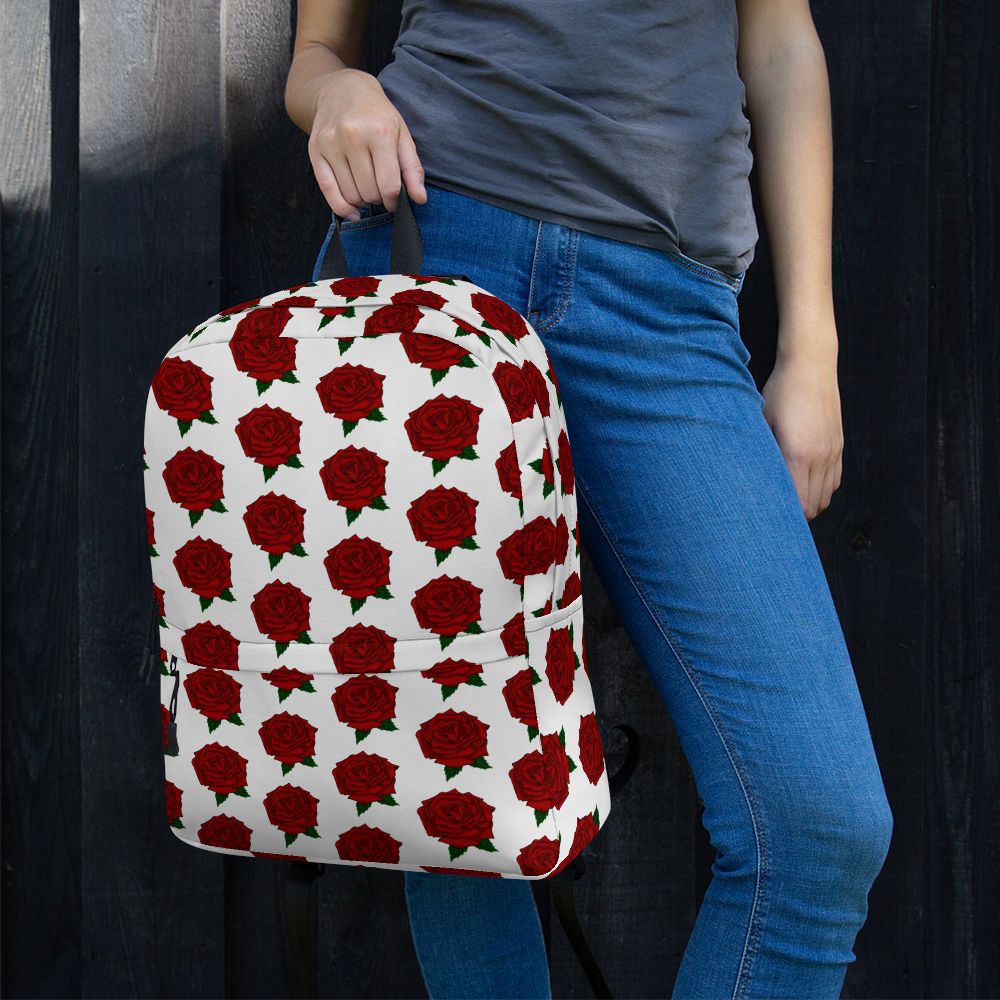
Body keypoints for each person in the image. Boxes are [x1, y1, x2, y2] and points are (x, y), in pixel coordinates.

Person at [284, 1, 894, 997]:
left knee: (819, 826)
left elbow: (783, 41)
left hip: (669, 316)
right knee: (454, 796)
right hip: (437, 252)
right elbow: (316, 54)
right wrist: (336, 93)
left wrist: (812, 351)